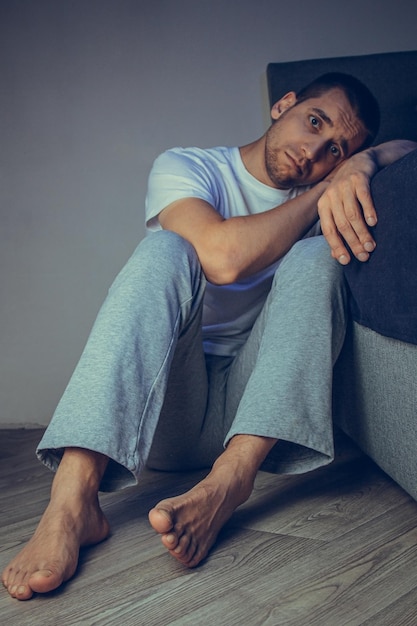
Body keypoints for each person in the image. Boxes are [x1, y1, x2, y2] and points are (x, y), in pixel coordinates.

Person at [2, 73, 416, 601]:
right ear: (283, 104)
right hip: (172, 410)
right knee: (165, 250)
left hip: (254, 419)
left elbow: (409, 147)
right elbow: (223, 259)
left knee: (318, 256)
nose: (314, 152)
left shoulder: (340, 180)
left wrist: (367, 161)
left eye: (336, 149)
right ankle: (71, 502)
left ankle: (230, 482)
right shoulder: (190, 166)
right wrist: (321, 195)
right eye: (314, 122)